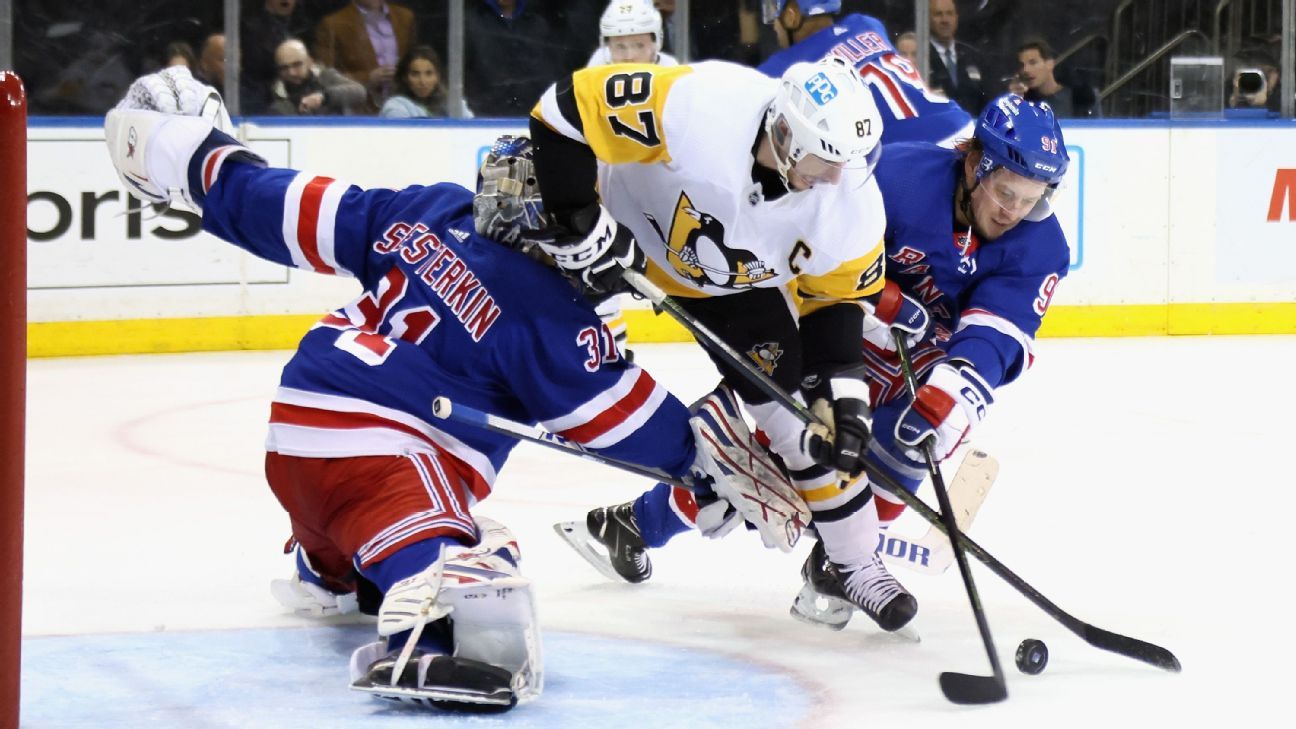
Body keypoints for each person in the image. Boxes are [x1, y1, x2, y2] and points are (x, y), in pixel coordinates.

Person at [104, 70, 783, 710]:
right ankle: (423, 627)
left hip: (307, 426)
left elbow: (280, 203)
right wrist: (704, 460)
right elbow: (625, 419)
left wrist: (200, 158)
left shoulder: (431, 209)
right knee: (479, 575)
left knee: (383, 508)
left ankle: (333, 573)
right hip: (377, 453)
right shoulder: (548, 315)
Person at [561, 92, 1072, 633]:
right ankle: (632, 526)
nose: (1013, 212)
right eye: (1005, 192)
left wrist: (954, 392)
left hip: (923, 365)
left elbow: (997, 332)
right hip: (844, 338)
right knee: (765, 470)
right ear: (973, 164)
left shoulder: (1041, 246)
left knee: (913, 441)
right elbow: (817, 259)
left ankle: (842, 565)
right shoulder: (898, 179)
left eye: (1031, 200)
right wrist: (883, 303)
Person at [529, 55, 934, 632]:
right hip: (612, 245)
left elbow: (834, 302)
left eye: (851, 162)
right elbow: (564, 110)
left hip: (728, 289)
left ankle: (854, 562)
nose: (840, 178)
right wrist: (578, 219)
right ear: (787, 135)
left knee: (802, 419)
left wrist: (840, 396)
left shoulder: (850, 202)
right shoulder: (699, 106)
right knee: (508, 344)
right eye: (828, 160)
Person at [759, 1, 973, 147]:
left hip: (911, 149)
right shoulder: (867, 24)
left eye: (775, 13)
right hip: (962, 125)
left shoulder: (783, 68)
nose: (774, 26)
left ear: (791, 15)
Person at [314, 0, 417, 112]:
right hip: (360, 110)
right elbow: (324, 75)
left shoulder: (405, 17)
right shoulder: (333, 24)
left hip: (404, 107)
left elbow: (417, 62)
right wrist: (367, 78)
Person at [268, 39, 367, 115]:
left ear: (310, 61)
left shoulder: (326, 77)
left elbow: (359, 92)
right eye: (284, 68)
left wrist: (324, 97)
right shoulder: (276, 97)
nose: (291, 72)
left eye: (297, 64)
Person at [926, 0, 988, 116]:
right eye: (938, 14)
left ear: (956, 18)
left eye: (949, 14)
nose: (945, 20)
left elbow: (985, 98)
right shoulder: (921, 55)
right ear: (928, 18)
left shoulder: (974, 56)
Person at [380, 45, 473, 118]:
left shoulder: (452, 103)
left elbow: (471, 129)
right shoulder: (395, 107)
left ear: (437, 76)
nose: (422, 81)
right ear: (405, 77)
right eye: (415, 74)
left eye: (429, 74)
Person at [1016, 39, 1099, 118]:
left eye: (1033, 63)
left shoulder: (1082, 96)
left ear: (1050, 64)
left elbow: (1098, 129)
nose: (1025, 70)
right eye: (1021, 65)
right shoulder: (1022, 101)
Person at [587, 0, 678, 67]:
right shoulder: (598, 64)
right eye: (620, 46)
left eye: (639, 45)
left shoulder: (669, 68)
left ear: (656, 43)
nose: (629, 56)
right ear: (609, 46)